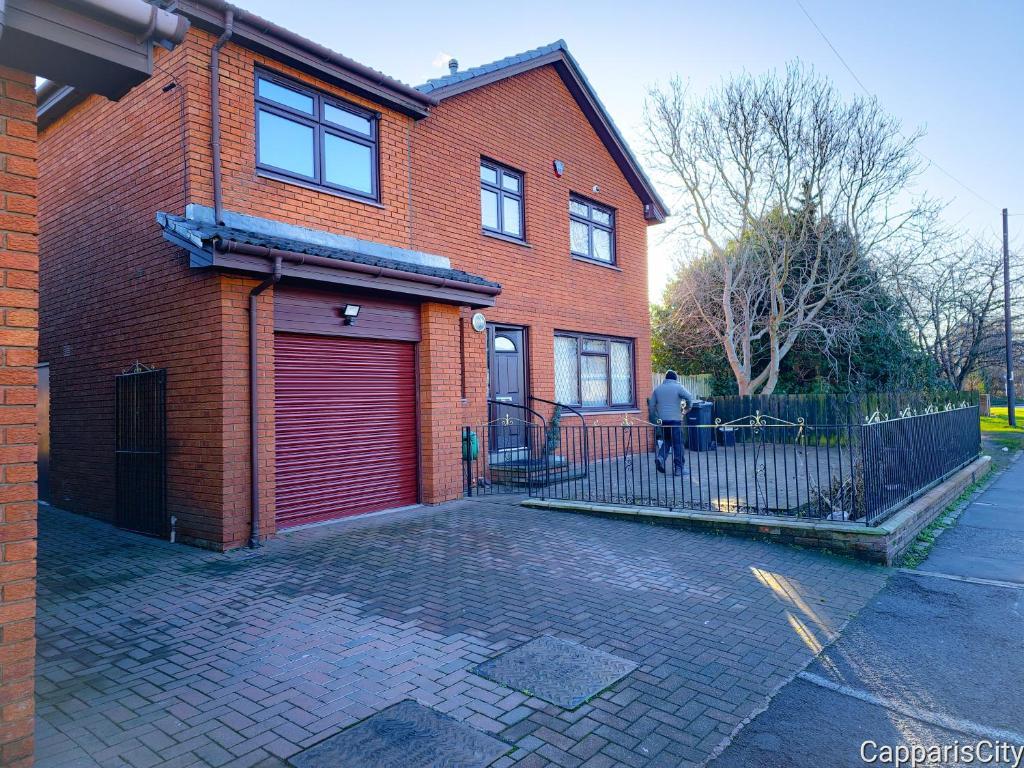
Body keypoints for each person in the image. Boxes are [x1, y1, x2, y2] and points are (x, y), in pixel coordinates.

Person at [650, 370, 696, 475]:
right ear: (675, 378)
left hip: (663, 421)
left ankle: (661, 458)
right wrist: (686, 409)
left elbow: (651, 406)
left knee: (667, 441)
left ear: (665, 378)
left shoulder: (657, 389)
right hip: (675, 420)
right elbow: (689, 397)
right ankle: (679, 468)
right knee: (678, 444)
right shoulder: (678, 387)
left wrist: (656, 418)